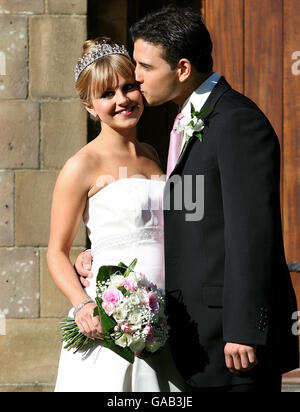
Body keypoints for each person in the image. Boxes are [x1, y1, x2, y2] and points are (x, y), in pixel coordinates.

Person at [76, 6, 299, 392]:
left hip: (232, 342)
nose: (136, 78)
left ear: (181, 69)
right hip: (189, 338)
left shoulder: (236, 122)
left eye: (144, 67)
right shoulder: (184, 123)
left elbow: (253, 232)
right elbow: (184, 218)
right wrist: (100, 251)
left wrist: (245, 328)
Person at [47, 36, 188, 392]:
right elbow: (56, 252)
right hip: (113, 321)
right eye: (107, 94)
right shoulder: (80, 166)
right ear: (89, 106)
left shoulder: (153, 153)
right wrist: (83, 306)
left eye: (129, 87)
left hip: (168, 317)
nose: (122, 100)